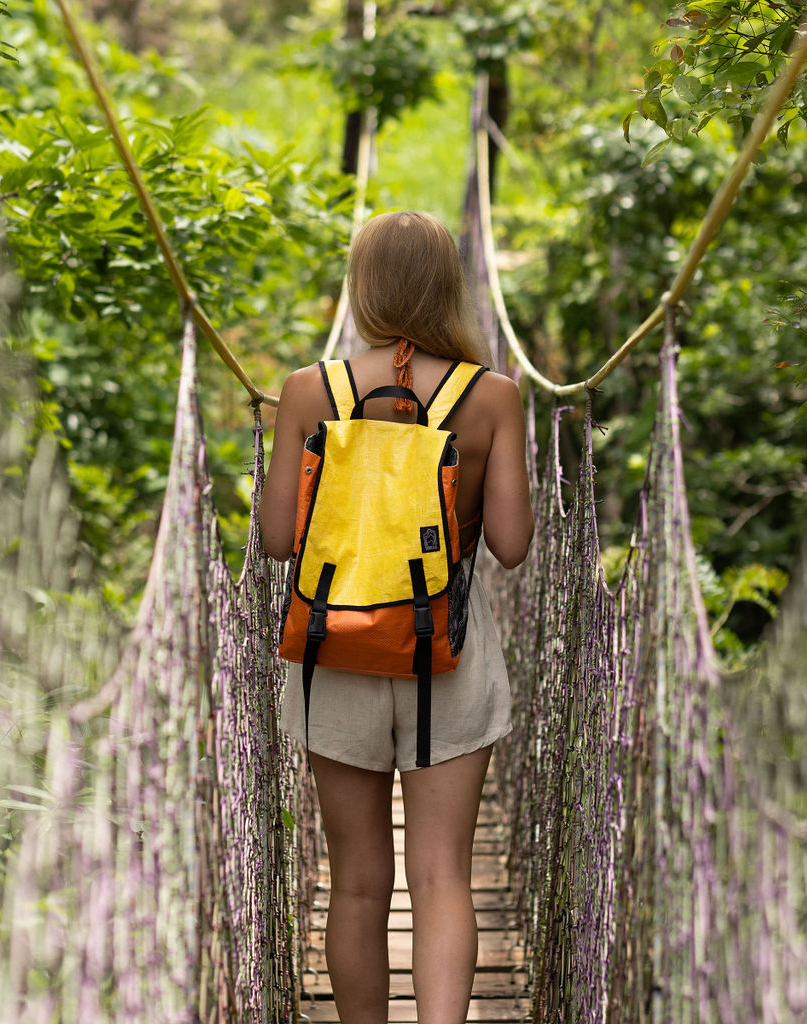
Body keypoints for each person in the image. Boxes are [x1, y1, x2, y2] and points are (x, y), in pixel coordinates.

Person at [259, 210, 534, 1024]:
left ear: (363, 285)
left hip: (330, 654)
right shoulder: (493, 398)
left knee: (355, 881)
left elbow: (278, 540)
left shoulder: (311, 391)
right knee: (444, 875)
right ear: (450, 286)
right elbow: (513, 546)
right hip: (444, 658)